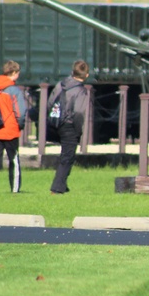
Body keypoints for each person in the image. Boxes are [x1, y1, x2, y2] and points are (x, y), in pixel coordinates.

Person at [0, 60, 27, 193]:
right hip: (10, 130)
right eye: (18, 73)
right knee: (13, 160)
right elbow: (20, 112)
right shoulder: (14, 90)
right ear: (13, 73)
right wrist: (19, 125)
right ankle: (14, 188)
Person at [49, 60, 90, 195]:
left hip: (56, 122)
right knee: (68, 157)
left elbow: (50, 103)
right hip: (69, 125)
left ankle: (63, 184)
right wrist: (79, 130)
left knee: (65, 155)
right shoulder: (81, 90)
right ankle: (57, 188)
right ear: (86, 75)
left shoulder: (60, 85)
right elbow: (78, 112)